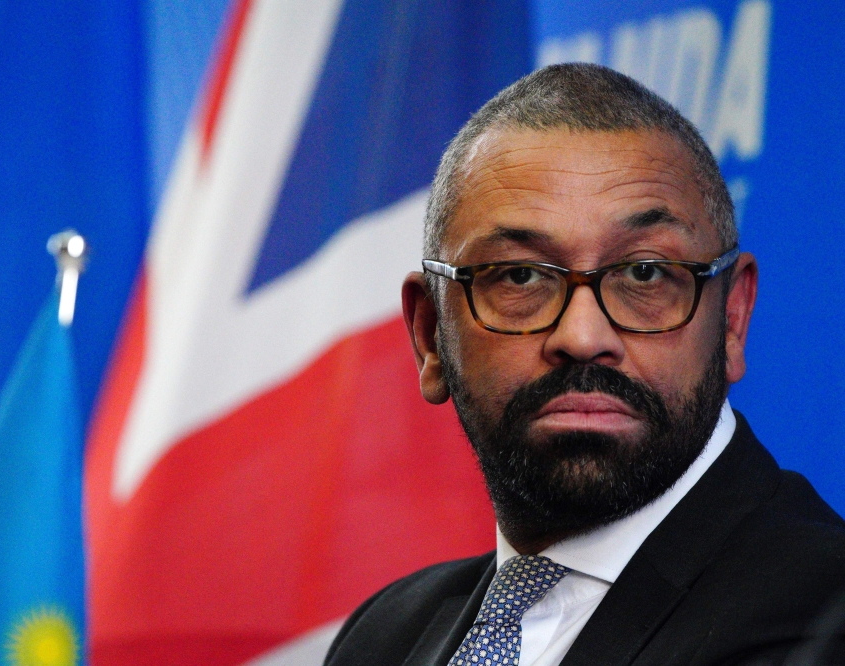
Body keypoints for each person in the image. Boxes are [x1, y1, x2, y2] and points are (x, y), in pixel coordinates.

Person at [323, 63, 845, 666]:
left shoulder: (825, 626)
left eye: (644, 273)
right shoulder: (384, 636)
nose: (582, 335)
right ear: (431, 335)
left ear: (731, 320)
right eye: (519, 275)